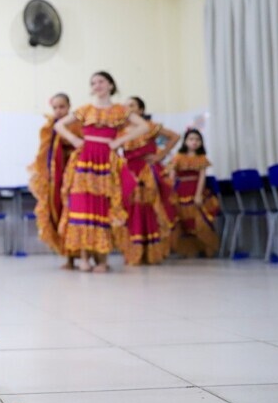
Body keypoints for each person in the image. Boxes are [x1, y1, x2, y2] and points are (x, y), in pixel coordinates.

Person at [53, 72, 150, 272]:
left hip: (106, 159)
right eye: (93, 82)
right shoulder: (85, 109)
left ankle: (103, 260)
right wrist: (75, 140)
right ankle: (84, 258)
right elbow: (59, 125)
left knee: (103, 206)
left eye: (101, 81)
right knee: (81, 203)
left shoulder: (119, 110)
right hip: (85, 159)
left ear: (111, 85)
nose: (97, 85)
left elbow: (144, 126)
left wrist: (119, 142)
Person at [115, 96, 179, 266]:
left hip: (147, 170)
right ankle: (134, 251)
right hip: (129, 172)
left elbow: (175, 136)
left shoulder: (149, 127)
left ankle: (151, 252)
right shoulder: (121, 131)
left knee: (150, 207)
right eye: (125, 106)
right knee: (131, 208)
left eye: (132, 105)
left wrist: (160, 155)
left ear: (141, 110)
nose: (128, 108)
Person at [27, 93, 80, 268]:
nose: (58, 111)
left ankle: (86, 255)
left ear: (69, 106)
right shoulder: (48, 128)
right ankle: (69, 257)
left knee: (75, 213)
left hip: (75, 177)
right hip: (55, 179)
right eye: (55, 107)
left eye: (62, 107)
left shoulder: (77, 126)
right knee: (58, 212)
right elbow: (43, 154)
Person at [168, 128, 220, 257]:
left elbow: (202, 178)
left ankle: (205, 248)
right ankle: (187, 250)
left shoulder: (201, 158)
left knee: (200, 221)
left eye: (197, 139)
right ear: (185, 142)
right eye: (191, 139)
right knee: (183, 221)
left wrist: (198, 195)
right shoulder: (178, 158)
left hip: (196, 191)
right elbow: (171, 177)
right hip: (180, 192)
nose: (194, 142)